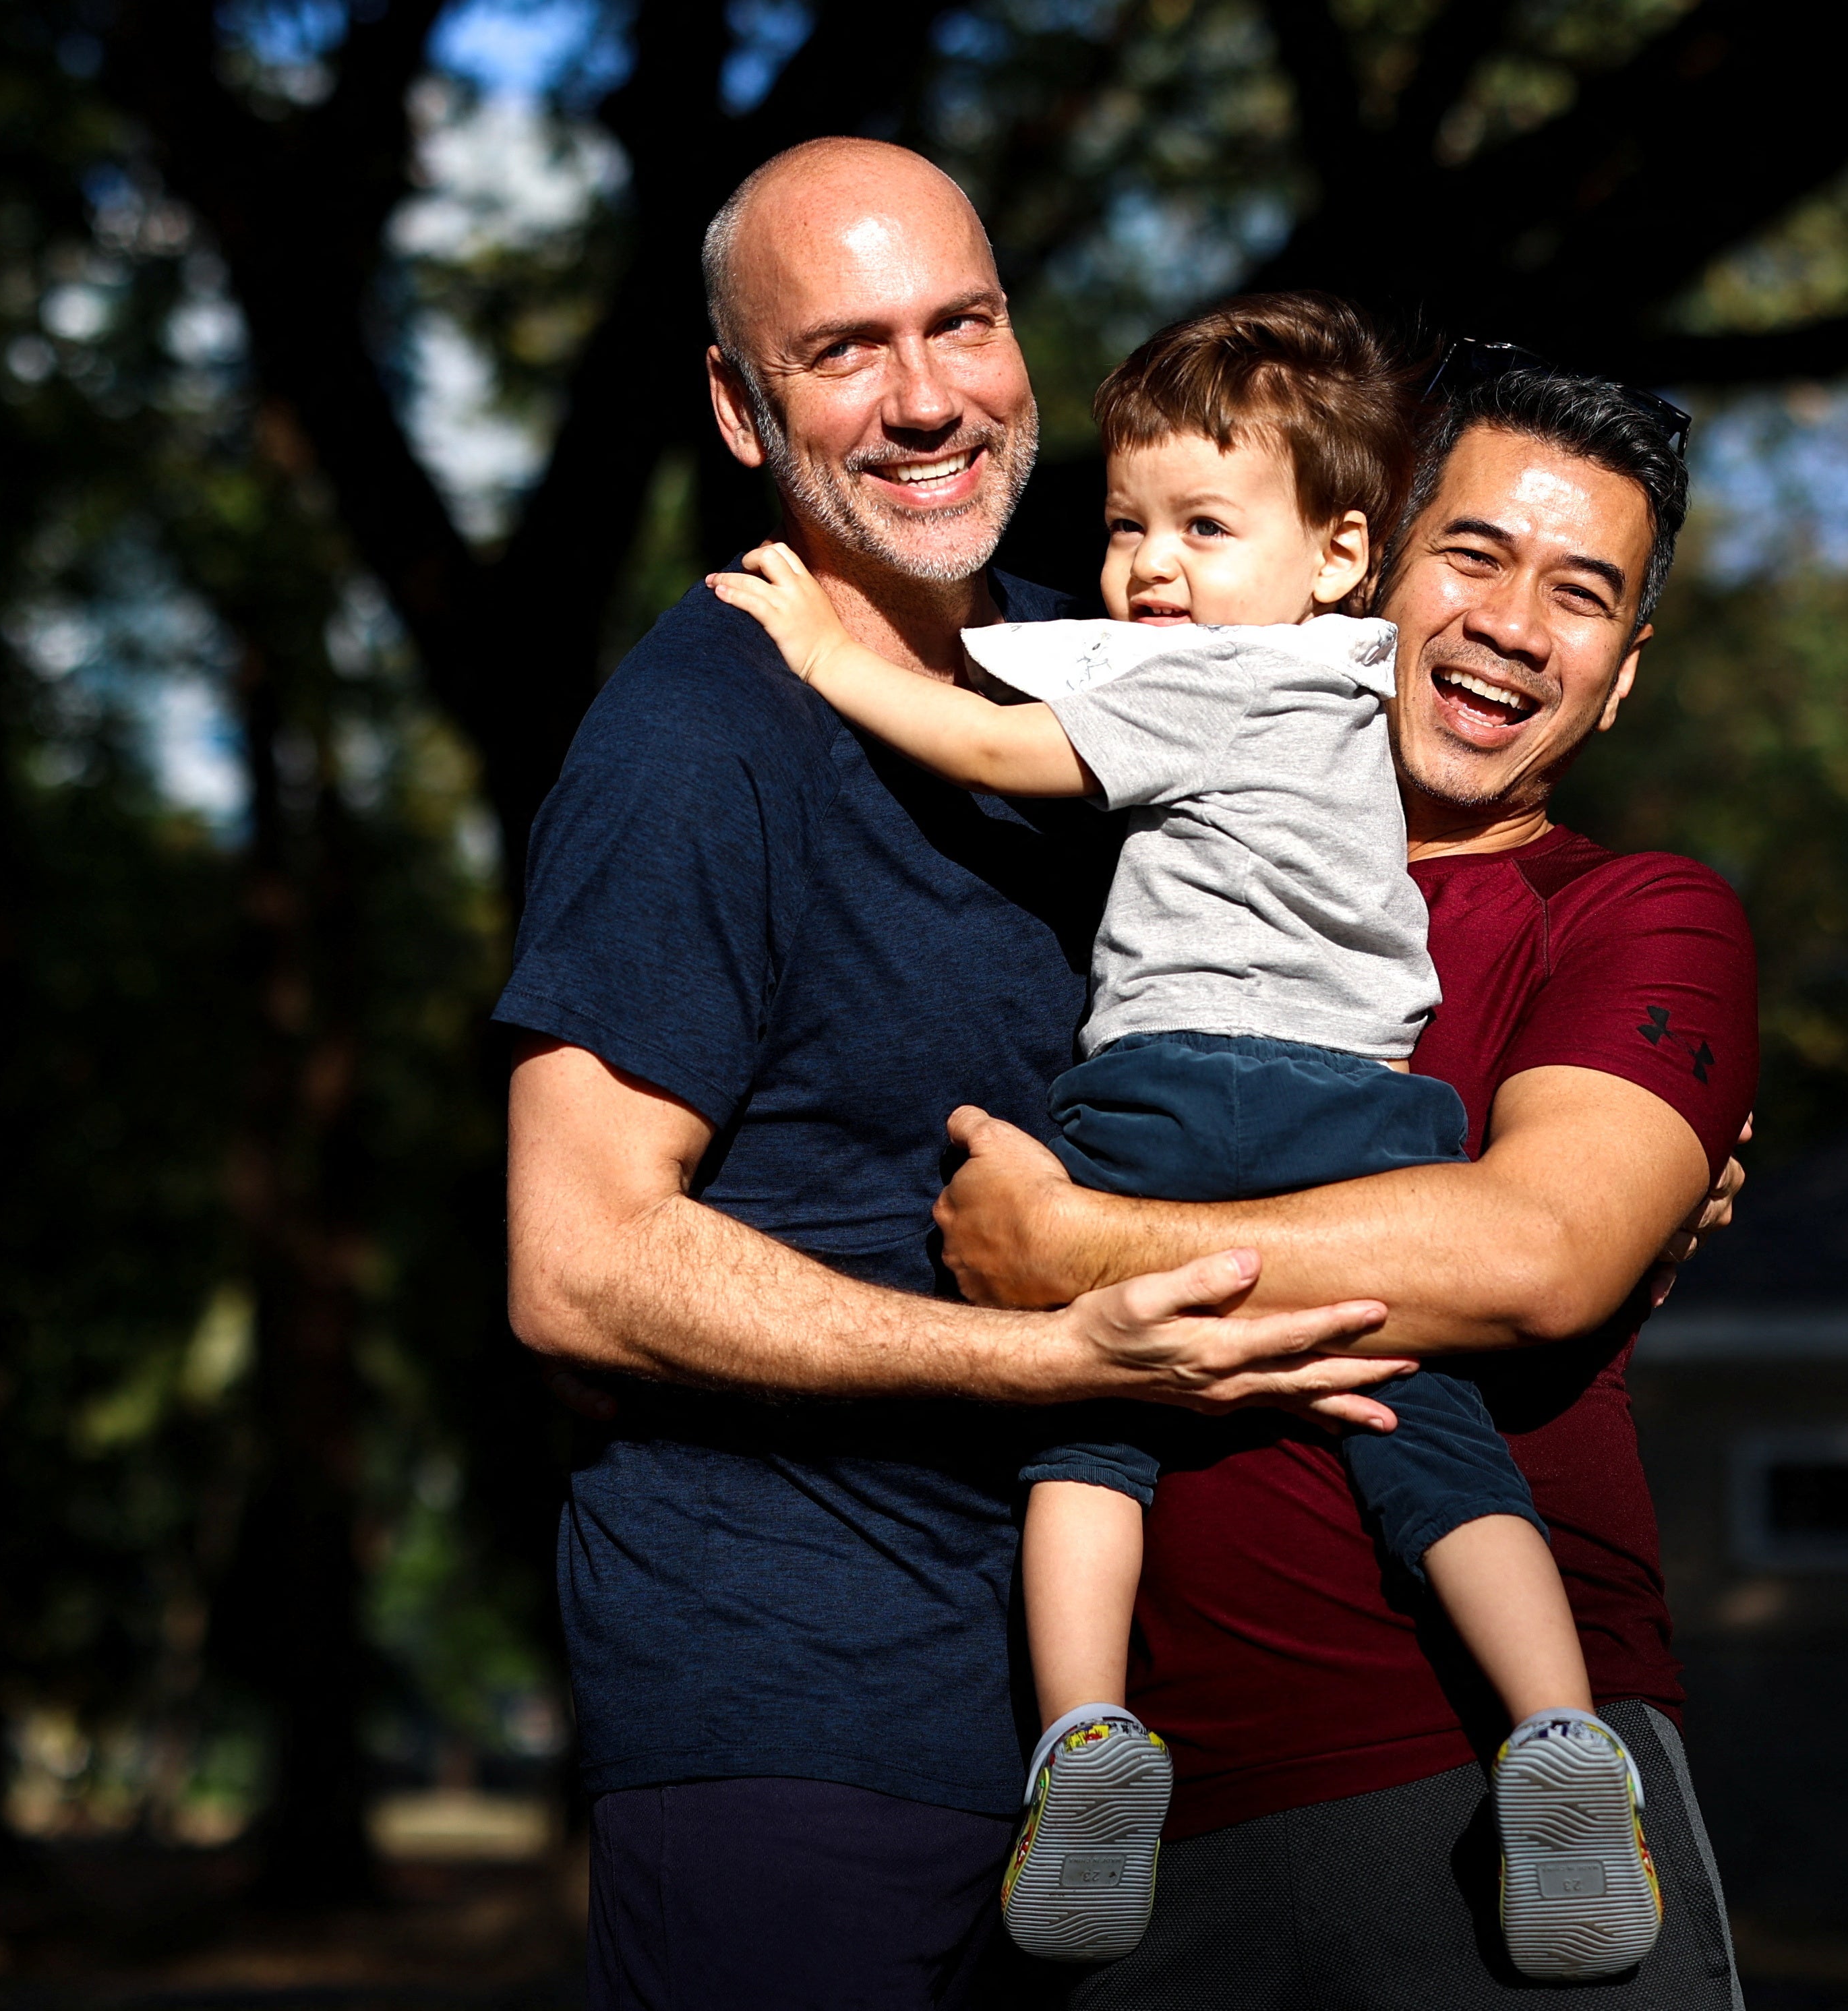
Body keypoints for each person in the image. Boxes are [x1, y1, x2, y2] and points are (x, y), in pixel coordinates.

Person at [496, 139, 1422, 2011]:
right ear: (740, 412)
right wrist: (1054, 1360)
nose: (924, 399)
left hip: (1120, 1725)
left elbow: (1299, 978)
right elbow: (577, 1263)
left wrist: (1611, 1134)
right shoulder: (701, 730)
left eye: (962, 325)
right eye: (842, 351)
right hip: (800, 1710)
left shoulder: (1114, 677)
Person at [709, 294, 1657, 1983]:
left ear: (1337, 549)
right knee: (1431, 1435)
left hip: (1164, 1096)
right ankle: (1558, 1728)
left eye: (1199, 528)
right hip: (1367, 1124)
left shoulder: (1199, 681)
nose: (1147, 570)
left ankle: (1083, 1734)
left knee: (1089, 1418)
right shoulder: (1368, 674)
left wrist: (825, 653)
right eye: (1126, 528)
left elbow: (997, 734)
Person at [931, 349, 1759, 2009]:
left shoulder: (1634, 916)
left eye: (1578, 593)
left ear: (1622, 673)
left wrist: (1074, 1247)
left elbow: (1533, 1253)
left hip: (1483, 1790)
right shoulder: (1132, 857)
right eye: (1471, 556)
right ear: (1365, 563)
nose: (1515, 624)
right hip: (1130, 1822)